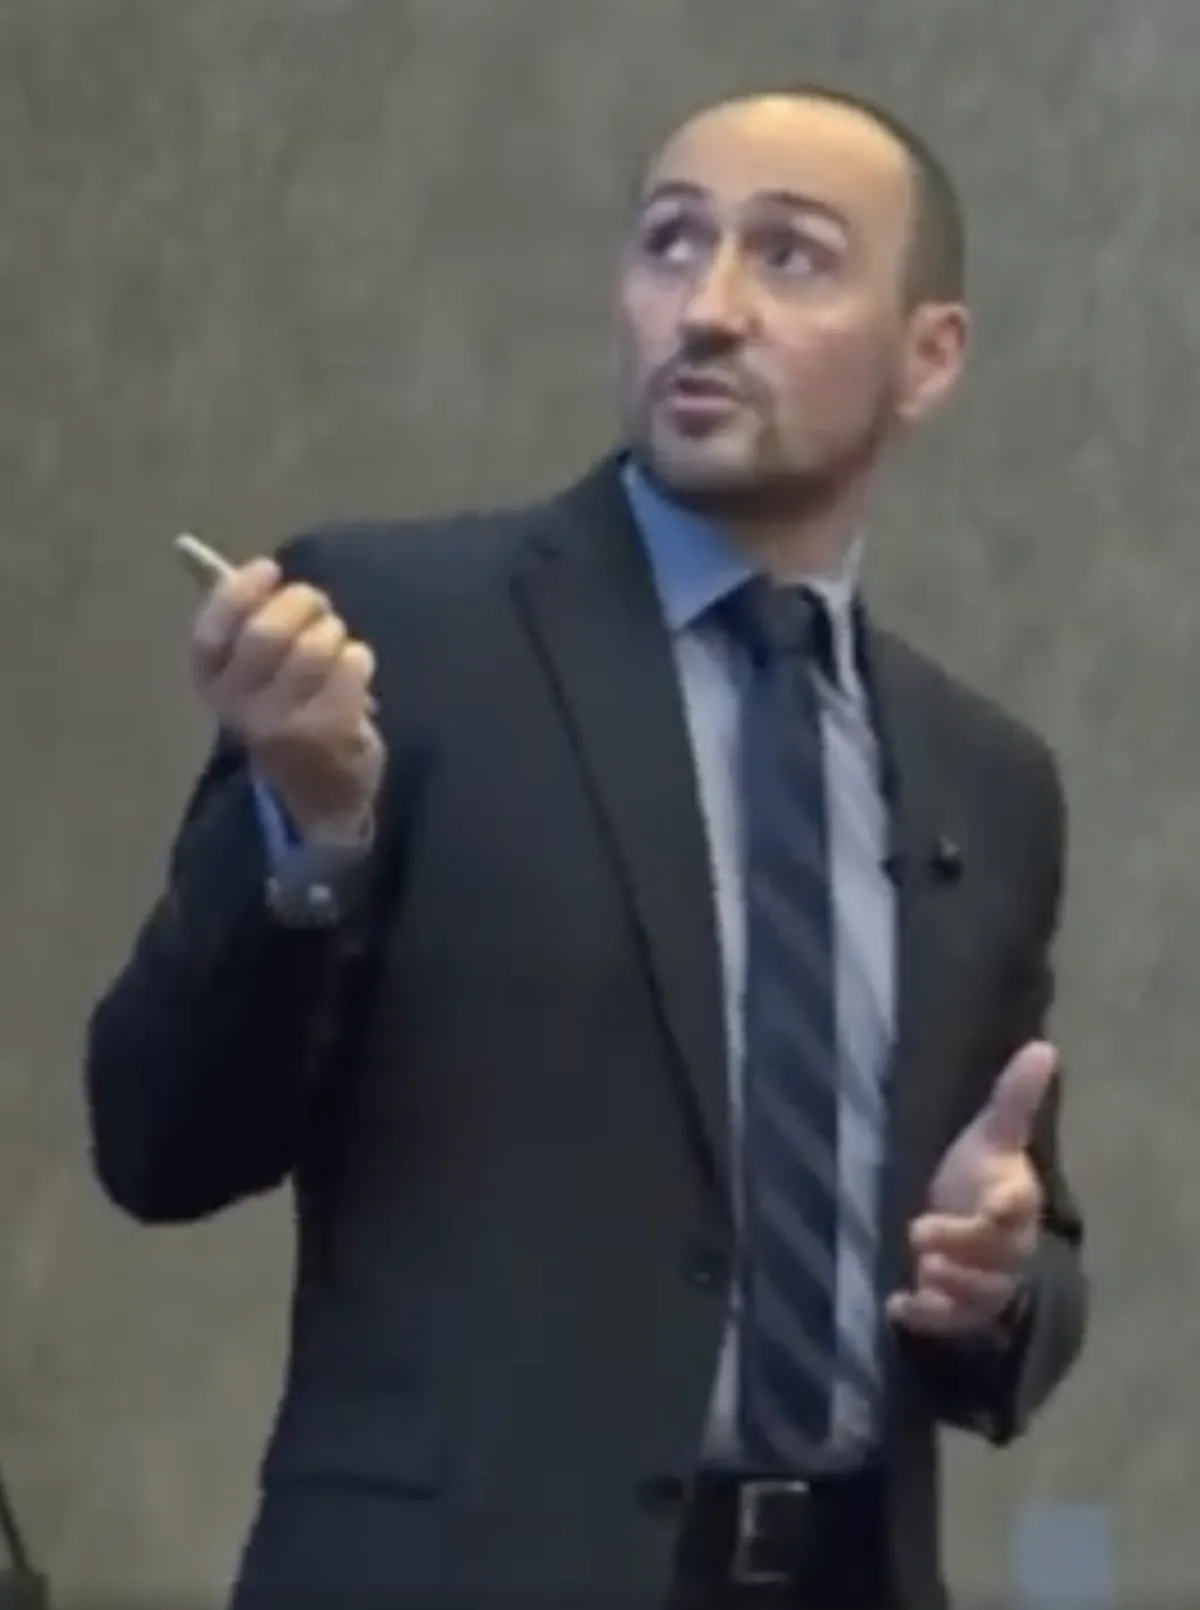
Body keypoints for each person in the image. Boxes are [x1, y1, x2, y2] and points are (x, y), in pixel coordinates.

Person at [84, 86, 1088, 1610]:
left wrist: (1000, 1283)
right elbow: (159, 1143)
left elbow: (1022, 1245)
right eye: (670, 243)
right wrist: (312, 830)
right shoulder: (397, 636)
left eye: (791, 256)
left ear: (929, 355)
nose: (709, 307)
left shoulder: (987, 780)